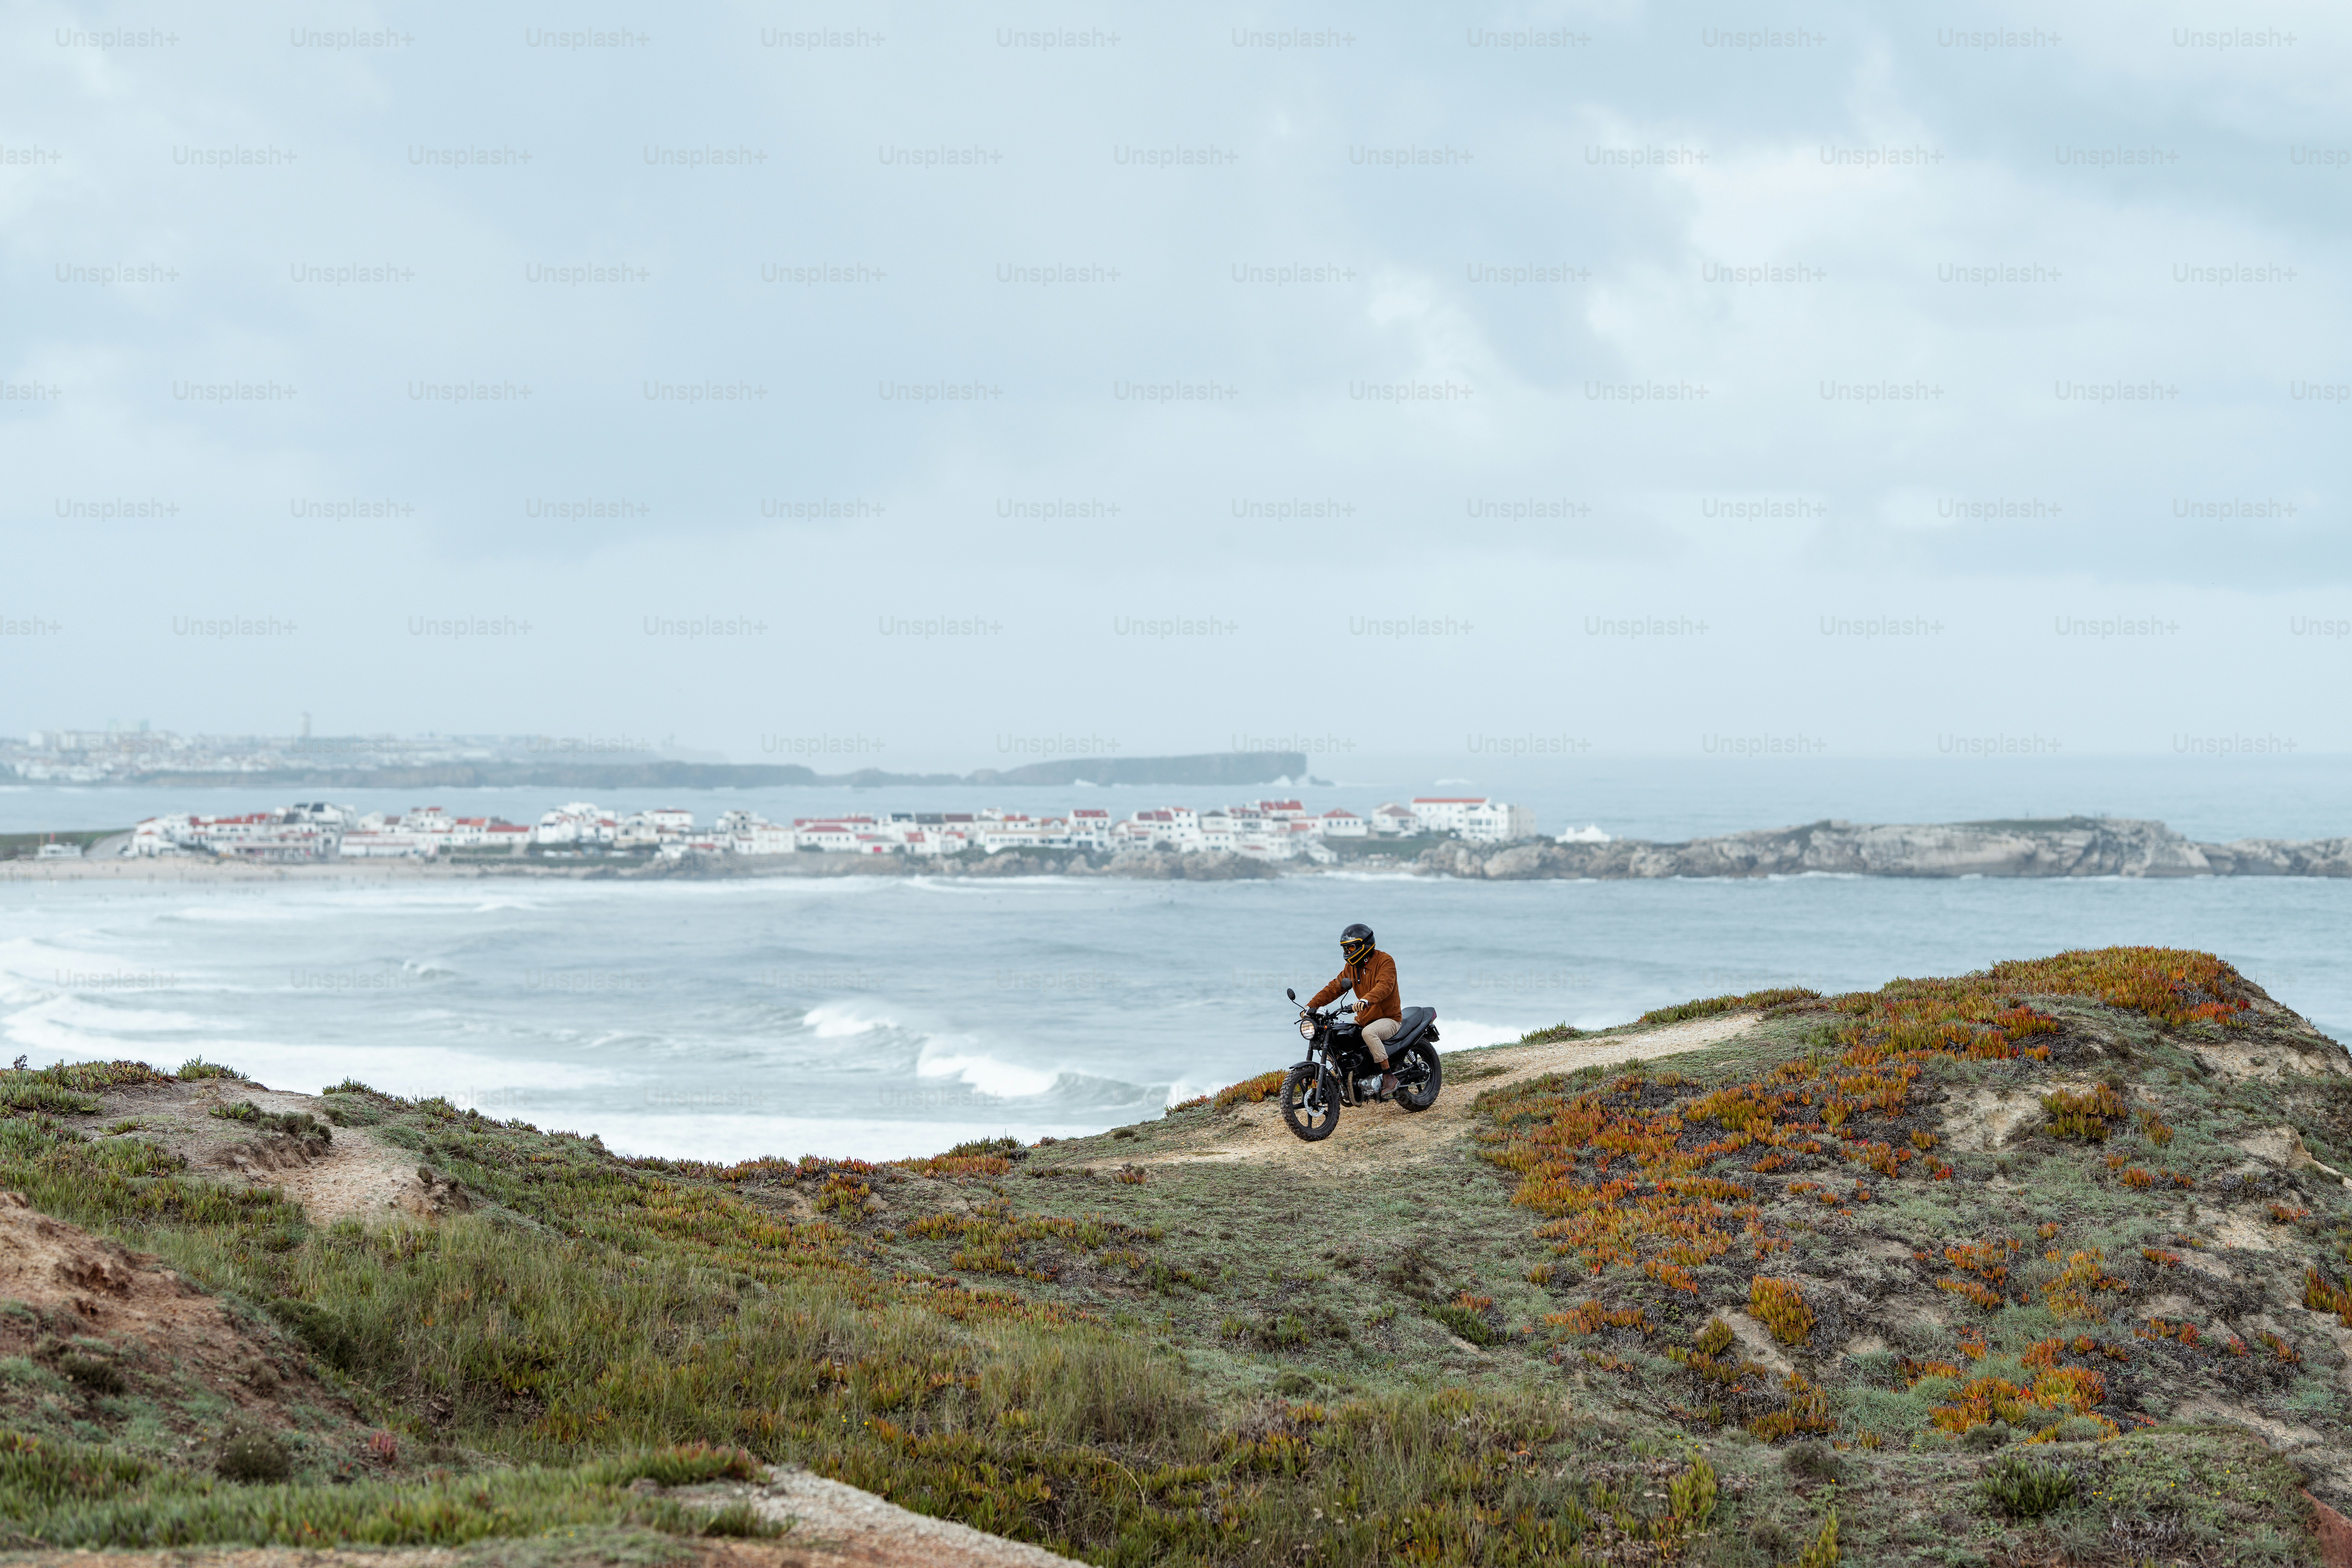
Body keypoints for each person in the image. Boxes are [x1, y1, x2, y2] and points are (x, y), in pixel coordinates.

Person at [1309, 922, 1402, 1098]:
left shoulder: (1385, 961)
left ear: (1364, 946)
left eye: (1351, 948)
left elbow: (1385, 986)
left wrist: (1367, 999)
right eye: (1346, 949)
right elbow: (1334, 988)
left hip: (1389, 1019)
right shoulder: (1351, 968)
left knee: (1369, 1034)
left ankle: (1389, 1076)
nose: (1348, 953)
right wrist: (1311, 1007)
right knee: (1336, 1037)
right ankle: (1345, 1078)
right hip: (1364, 1019)